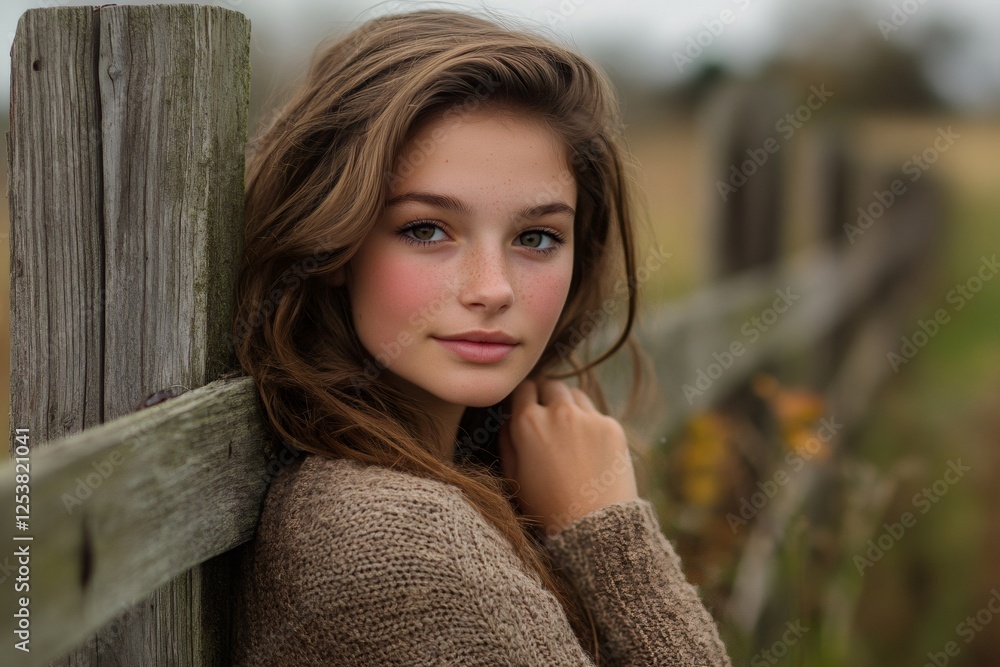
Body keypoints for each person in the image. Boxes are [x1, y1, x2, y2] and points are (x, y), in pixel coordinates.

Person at [230, 7, 732, 666]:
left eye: (536, 237)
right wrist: (610, 536)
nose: (493, 289)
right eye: (426, 230)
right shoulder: (403, 545)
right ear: (334, 244)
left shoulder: (458, 480)